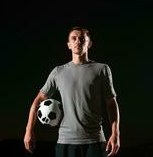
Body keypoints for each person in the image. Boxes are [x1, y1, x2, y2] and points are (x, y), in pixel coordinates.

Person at [24, 26, 120, 157]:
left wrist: (115, 133)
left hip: (95, 141)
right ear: (69, 45)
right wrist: (29, 130)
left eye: (82, 38)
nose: (78, 41)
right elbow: (38, 100)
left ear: (89, 43)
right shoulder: (58, 72)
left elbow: (111, 103)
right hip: (65, 142)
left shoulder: (102, 69)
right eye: (73, 39)